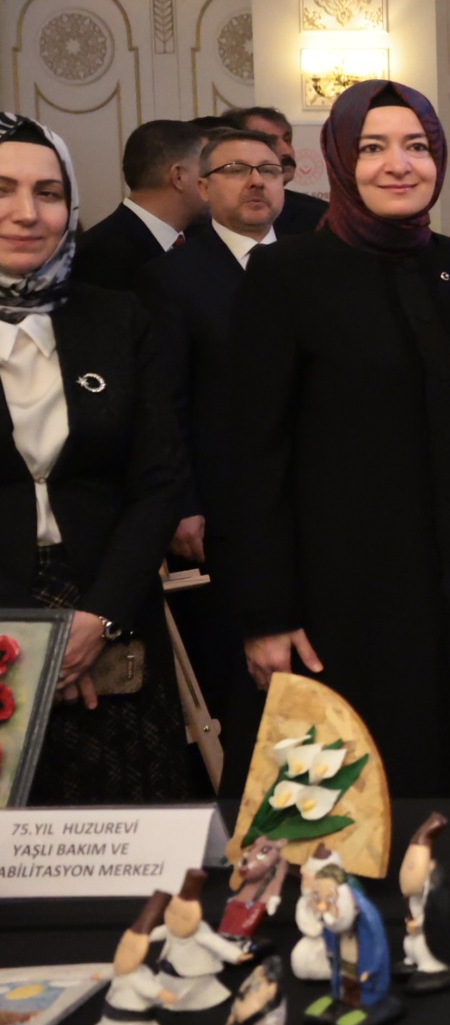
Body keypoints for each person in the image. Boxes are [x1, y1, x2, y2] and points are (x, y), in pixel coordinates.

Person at [224, 81, 450, 798]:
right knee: (347, 802)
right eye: (373, 148)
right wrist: (266, 613)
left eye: (417, 146)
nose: (399, 164)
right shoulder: (288, 274)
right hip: (344, 594)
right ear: (339, 159)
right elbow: (252, 454)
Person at [0, 114, 194, 804]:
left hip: (114, 630)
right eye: (3, 190)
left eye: (49, 193)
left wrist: (98, 619)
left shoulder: (118, 318)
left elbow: (158, 480)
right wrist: (26, 639)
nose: (28, 213)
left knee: (127, 844)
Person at [158, 130, 282, 715]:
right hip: (221, 507)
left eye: (269, 169)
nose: (256, 181)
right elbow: (165, 399)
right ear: (204, 188)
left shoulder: (312, 262)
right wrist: (183, 500)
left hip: (308, 498)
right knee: (239, 684)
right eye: (236, 170)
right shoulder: (173, 276)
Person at [71, 119, 205, 298]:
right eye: (207, 169)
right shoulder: (96, 258)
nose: (213, 180)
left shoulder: (197, 241)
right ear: (179, 176)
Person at [221, 107, 328, 237]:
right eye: (270, 141)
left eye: (287, 140)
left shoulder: (318, 217)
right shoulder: (211, 216)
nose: (287, 151)